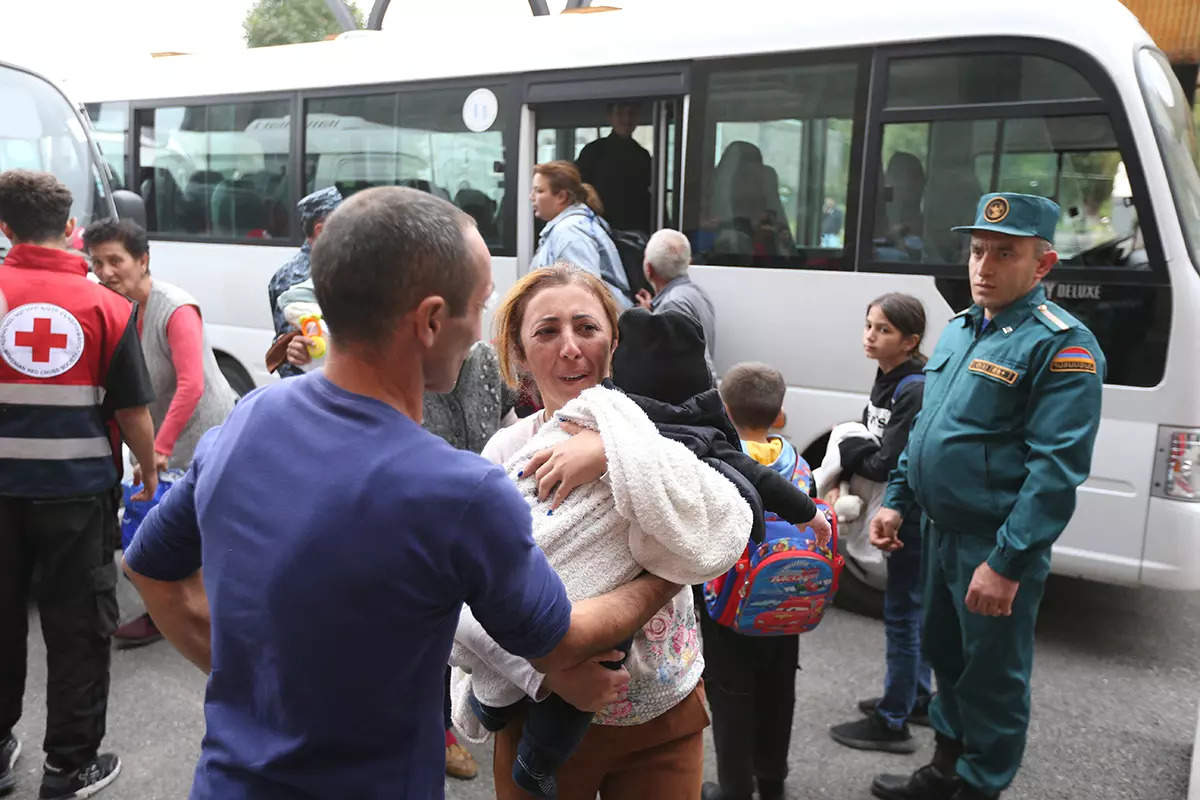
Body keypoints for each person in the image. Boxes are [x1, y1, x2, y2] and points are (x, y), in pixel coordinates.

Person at [121, 187, 680, 798]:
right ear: (433, 320)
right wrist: (671, 569)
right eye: (479, 305)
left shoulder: (250, 419)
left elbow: (150, 569)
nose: (480, 331)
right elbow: (560, 642)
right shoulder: (461, 492)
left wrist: (252, 683)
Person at [460, 264, 751, 800]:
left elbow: (725, 525)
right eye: (546, 331)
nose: (571, 347)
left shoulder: (666, 436)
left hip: (664, 711)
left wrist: (615, 451)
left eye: (587, 328)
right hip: (542, 722)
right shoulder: (504, 455)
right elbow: (460, 602)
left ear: (614, 343)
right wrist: (547, 675)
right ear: (519, 355)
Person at [869, 193, 1105, 800]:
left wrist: (1006, 564)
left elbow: (1055, 472)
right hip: (938, 532)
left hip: (992, 543)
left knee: (993, 677)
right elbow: (927, 429)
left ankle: (979, 786)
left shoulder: (1062, 346)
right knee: (945, 656)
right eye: (977, 251)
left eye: (1006, 253)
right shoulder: (960, 328)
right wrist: (897, 497)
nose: (984, 267)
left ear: (1043, 264)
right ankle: (946, 769)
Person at [0, 169, 159, 800]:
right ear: (70, 230)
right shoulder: (108, 307)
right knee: (77, 629)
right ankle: (69, 768)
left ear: (5, 228)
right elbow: (132, 412)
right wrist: (148, 472)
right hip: (78, 497)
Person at [83, 218, 238, 649]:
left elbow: (192, 384)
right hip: (162, 439)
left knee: (190, 529)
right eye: (97, 262)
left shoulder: (174, 307)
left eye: (116, 260)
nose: (106, 271)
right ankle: (174, 611)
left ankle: (196, 622)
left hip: (205, 435)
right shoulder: (112, 306)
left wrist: (159, 449)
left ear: (143, 260)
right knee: (168, 530)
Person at [698, 361, 815, 800]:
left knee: (730, 699)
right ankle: (772, 785)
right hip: (785, 610)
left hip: (726, 610)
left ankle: (733, 790)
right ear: (779, 417)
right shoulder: (797, 465)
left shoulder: (717, 464)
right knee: (778, 696)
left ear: (723, 412)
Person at [826, 293, 933, 754]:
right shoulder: (888, 375)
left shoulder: (913, 387)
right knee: (911, 608)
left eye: (883, 330)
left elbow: (888, 460)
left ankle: (894, 722)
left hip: (906, 514)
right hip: (898, 509)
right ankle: (918, 697)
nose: (870, 336)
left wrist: (848, 451)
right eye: (869, 325)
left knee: (903, 614)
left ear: (910, 341)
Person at [529, 161, 631, 308]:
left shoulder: (570, 233)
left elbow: (582, 296)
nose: (531, 197)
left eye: (539, 191)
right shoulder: (572, 226)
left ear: (562, 197)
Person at [265, 186, 342, 378]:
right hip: (314, 388)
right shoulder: (294, 278)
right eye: (344, 224)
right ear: (321, 229)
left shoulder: (342, 264)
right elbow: (290, 352)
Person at [634, 229, 717, 372]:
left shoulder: (672, 305)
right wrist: (651, 315)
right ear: (688, 262)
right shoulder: (697, 293)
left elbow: (685, 365)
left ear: (649, 269)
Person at [575, 101, 651, 234]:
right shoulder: (593, 151)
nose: (626, 119)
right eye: (620, 114)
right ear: (610, 117)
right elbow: (579, 190)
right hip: (598, 228)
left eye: (631, 114)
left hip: (636, 230)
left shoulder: (643, 156)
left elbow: (648, 196)